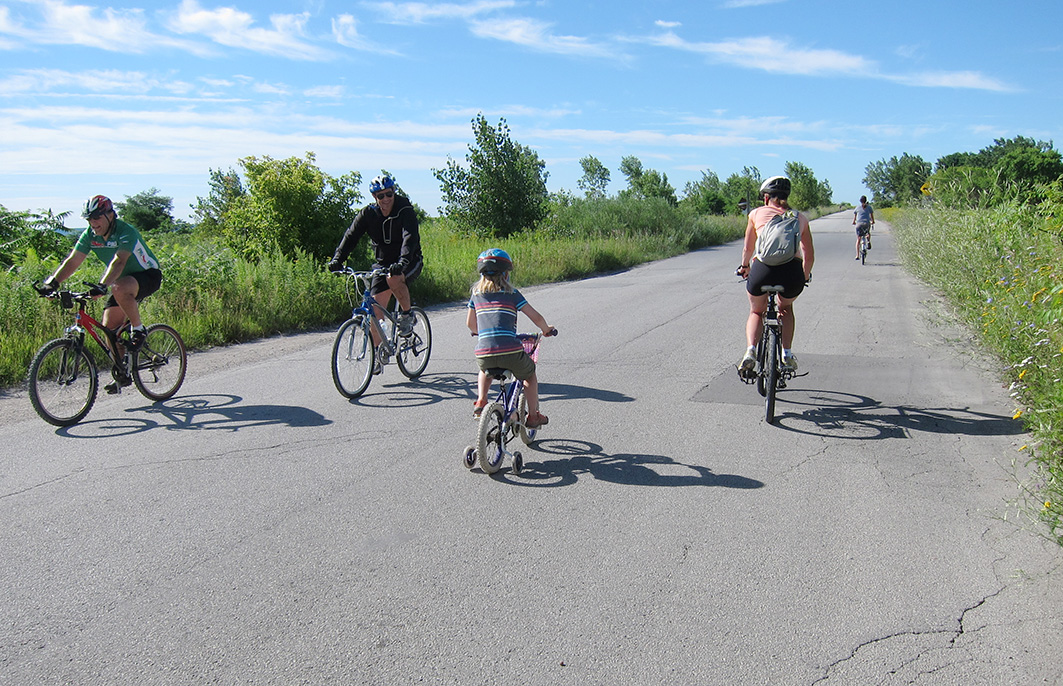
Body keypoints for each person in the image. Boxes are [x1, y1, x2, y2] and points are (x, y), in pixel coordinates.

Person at [43, 194, 163, 394]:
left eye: (97, 217)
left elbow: (119, 261)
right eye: (89, 219)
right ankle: (122, 371)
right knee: (109, 328)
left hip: (147, 275)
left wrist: (102, 285)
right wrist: (53, 282)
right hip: (121, 281)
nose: (93, 223)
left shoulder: (125, 231)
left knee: (118, 287)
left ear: (110, 215)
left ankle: (139, 329)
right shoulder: (90, 235)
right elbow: (73, 260)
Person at [328, 175, 423, 374]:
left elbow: (409, 236)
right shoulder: (368, 214)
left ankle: (407, 316)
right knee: (375, 308)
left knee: (394, 278)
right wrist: (338, 259)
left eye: (389, 194)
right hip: (383, 263)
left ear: (394, 192)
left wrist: (403, 261)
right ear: (375, 197)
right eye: (381, 196)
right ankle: (380, 351)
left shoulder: (404, 209)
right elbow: (351, 236)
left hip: (409, 260)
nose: (386, 199)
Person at [466, 249, 555, 429]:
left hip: (484, 351)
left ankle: (481, 401)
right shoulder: (513, 294)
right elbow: (535, 317)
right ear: (506, 274)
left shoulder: (476, 295)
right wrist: (546, 329)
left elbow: (470, 324)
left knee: (485, 370)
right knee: (529, 374)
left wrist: (479, 332)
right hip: (511, 351)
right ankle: (533, 416)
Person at [735, 176, 814, 372]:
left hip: (762, 271)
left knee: (756, 311)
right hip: (791, 273)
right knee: (785, 308)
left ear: (766, 198)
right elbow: (809, 255)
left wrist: (744, 267)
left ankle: (750, 351)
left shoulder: (755, 214)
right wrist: (803, 277)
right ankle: (786, 354)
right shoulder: (800, 218)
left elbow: (748, 248)